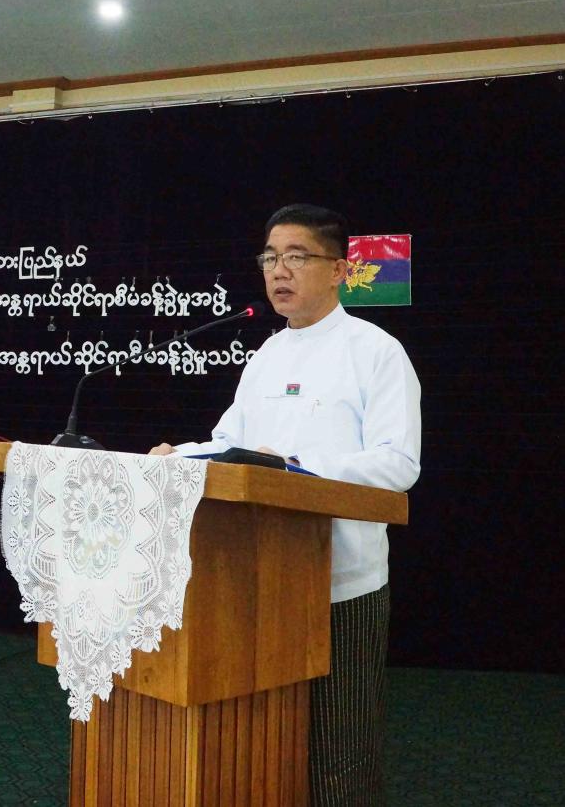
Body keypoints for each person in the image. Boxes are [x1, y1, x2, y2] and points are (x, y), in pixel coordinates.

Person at [150, 203, 422, 806]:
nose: (279, 270)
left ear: (340, 270)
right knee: (266, 745)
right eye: (271, 257)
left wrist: (295, 469)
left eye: (297, 256)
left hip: (339, 581)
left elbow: (399, 464)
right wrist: (180, 455)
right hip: (257, 576)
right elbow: (231, 444)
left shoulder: (377, 352)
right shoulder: (267, 355)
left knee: (338, 750)